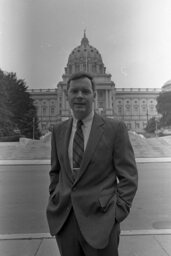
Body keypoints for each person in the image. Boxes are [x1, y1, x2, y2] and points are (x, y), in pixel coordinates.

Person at [46, 71, 138, 256]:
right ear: (67, 94)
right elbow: (55, 172)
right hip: (65, 220)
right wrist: (55, 197)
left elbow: (129, 177)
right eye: (74, 91)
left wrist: (116, 213)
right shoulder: (58, 130)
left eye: (85, 91)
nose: (79, 96)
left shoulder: (115, 129)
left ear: (94, 95)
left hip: (102, 222)